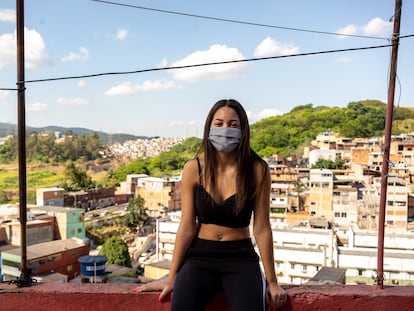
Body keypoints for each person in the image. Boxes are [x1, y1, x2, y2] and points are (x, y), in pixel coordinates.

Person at [137, 99, 287, 310]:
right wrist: (171, 277)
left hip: (240, 258)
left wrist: (272, 282)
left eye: (233, 125)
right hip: (199, 256)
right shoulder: (193, 168)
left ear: (243, 130)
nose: (225, 129)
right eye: (219, 123)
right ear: (209, 128)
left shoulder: (257, 170)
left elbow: (262, 227)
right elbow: (187, 226)